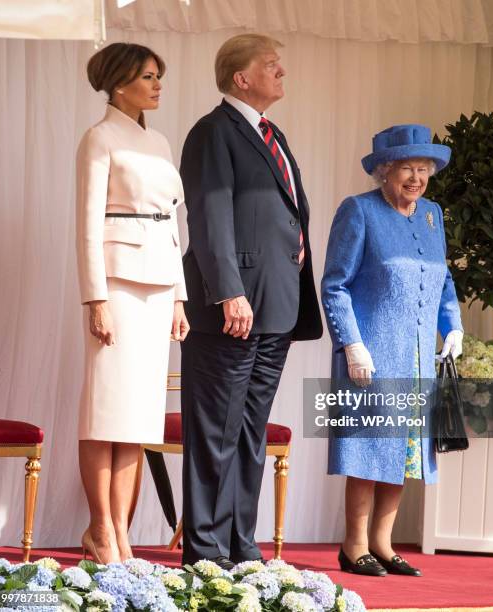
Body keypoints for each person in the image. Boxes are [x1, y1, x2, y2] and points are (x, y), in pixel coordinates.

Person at [179, 33, 323, 569]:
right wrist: (229, 293)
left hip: (277, 307)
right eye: (271, 66)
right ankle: (206, 556)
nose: (281, 72)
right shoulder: (213, 132)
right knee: (216, 433)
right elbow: (209, 216)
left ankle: (242, 549)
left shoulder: (271, 132)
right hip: (231, 310)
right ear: (242, 78)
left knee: (249, 433)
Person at [321, 124, 463, 577]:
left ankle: (382, 544)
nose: (416, 178)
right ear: (384, 171)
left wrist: (453, 326)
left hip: (419, 353)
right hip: (373, 353)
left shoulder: (432, 215)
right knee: (368, 448)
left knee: (403, 452)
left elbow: (443, 278)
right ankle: (354, 544)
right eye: (406, 168)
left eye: (423, 169)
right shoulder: (358, 211)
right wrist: (351, 344)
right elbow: (335, 285)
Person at [76, 42, 189, 564]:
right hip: (117, 285)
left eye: (158, 75)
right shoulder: (98, 139)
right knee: (105, 411)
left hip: (159, 285)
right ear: (120, 83)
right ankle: (100, 528)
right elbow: (87, 225)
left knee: (139, 417)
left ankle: (121, 531)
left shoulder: (161, 141)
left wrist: (180, 299)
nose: (157, 84)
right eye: (148, 75)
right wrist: (95, 298)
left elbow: (173, 223)